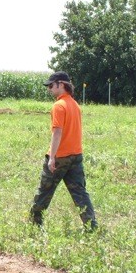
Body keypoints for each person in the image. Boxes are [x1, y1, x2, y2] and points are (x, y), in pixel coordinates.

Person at [30, 71, 98, 230]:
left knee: (44, 192)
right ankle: (91, 226)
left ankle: (34, 225)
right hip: (76, 156)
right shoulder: (75, 105)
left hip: (60, 157)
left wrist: (52, 157)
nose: (49, 89)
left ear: (61, 85)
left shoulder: (59, 106)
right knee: (80, 193)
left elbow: (57, 132)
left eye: (51, 86)